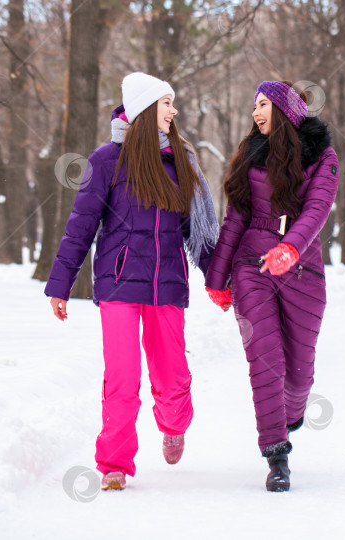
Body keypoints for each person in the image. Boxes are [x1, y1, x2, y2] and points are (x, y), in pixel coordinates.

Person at [45, 72, 218, 491]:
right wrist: (60, 283)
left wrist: (219, 278)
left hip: (168, 284)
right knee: (121, 377)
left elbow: (198, 231)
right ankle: (114, 465)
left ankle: (173, 425)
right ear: (144, 109)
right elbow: (81, 225)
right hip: (118, 283)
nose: (173, 112)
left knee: (172, 377)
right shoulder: (106, 160)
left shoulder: (181, 161)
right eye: (166, 104)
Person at [205, 80, 339, 492]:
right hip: (251, 266)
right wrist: (218, 278)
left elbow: (317, 208)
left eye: (261, 104)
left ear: (283, 109)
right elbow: (236, 219)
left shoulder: (323, 156)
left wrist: (291, 248)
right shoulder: (251, 155)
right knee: (265, 358)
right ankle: (276, 455)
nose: (254, 113)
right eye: (254, 105)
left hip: (303, 269)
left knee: (298, 376)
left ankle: (292, 413)